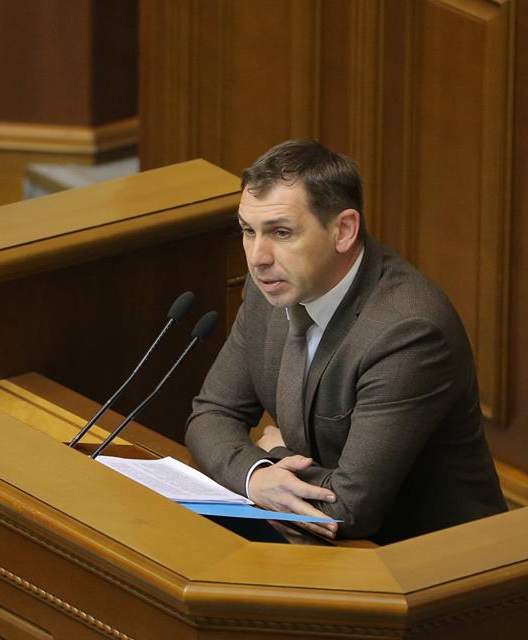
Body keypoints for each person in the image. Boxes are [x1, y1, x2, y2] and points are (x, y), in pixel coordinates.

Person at [186, 139, 506, 543]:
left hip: (425, 558)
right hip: (319, 545)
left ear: (344, 230)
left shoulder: (408, 331)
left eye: (281, 232)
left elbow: (350, 509)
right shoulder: (271, 289)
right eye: (248, 231)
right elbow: (210, 414)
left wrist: (275, 453)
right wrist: (257, 472)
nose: (258, 258)